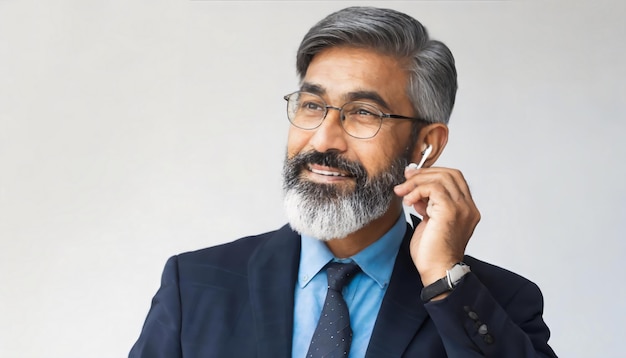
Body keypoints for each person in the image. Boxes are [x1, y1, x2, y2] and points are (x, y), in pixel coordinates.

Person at [130, 6, 556, 358]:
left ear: (425, 144)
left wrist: (445, 277)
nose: (323, 139)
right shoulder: (195, 283)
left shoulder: (495, 302)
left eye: (363, 113)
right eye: (313, 105)